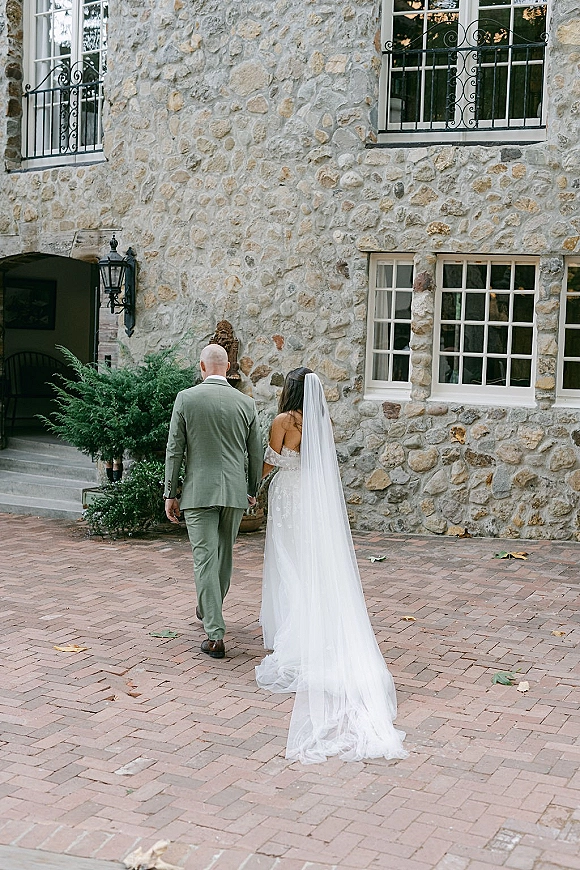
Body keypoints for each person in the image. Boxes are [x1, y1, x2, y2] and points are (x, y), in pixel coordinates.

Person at [256, 368, 408, 764]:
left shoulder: (283, 421)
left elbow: (271, 463)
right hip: (311, 496)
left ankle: (293, 634)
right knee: (309, 565)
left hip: (288, 495)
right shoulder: (320, 423)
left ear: (288, 391)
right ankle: (315, 629)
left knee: (286, 563)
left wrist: (257, 476)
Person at [164, 344, 263, 659]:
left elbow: (174, 449)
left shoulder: (187, 399)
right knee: (223, 557)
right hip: (233, 492)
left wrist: (170, 492)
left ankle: (215, 634)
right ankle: (208, 608)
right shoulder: (246, 403)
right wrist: (252, 488)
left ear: (202, 367)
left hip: (198, 491)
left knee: (205, 558)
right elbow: (256, 451)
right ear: (229, 366)